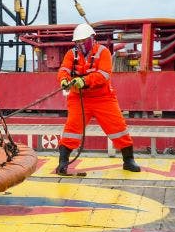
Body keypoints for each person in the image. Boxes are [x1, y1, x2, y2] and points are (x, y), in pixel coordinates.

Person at [56, 23, 141, 174]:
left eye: (83, 41)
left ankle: (128, 160)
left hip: (103, 98)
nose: (81, 44)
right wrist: (63, 80)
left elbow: (104, 74)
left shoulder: (103, 52)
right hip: (78, 98)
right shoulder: (71, 54)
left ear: (92, 38)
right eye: (78, 42)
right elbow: (64, 69)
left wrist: (84, 81)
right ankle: (62, 163)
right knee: (72, 130)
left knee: (118, 128)